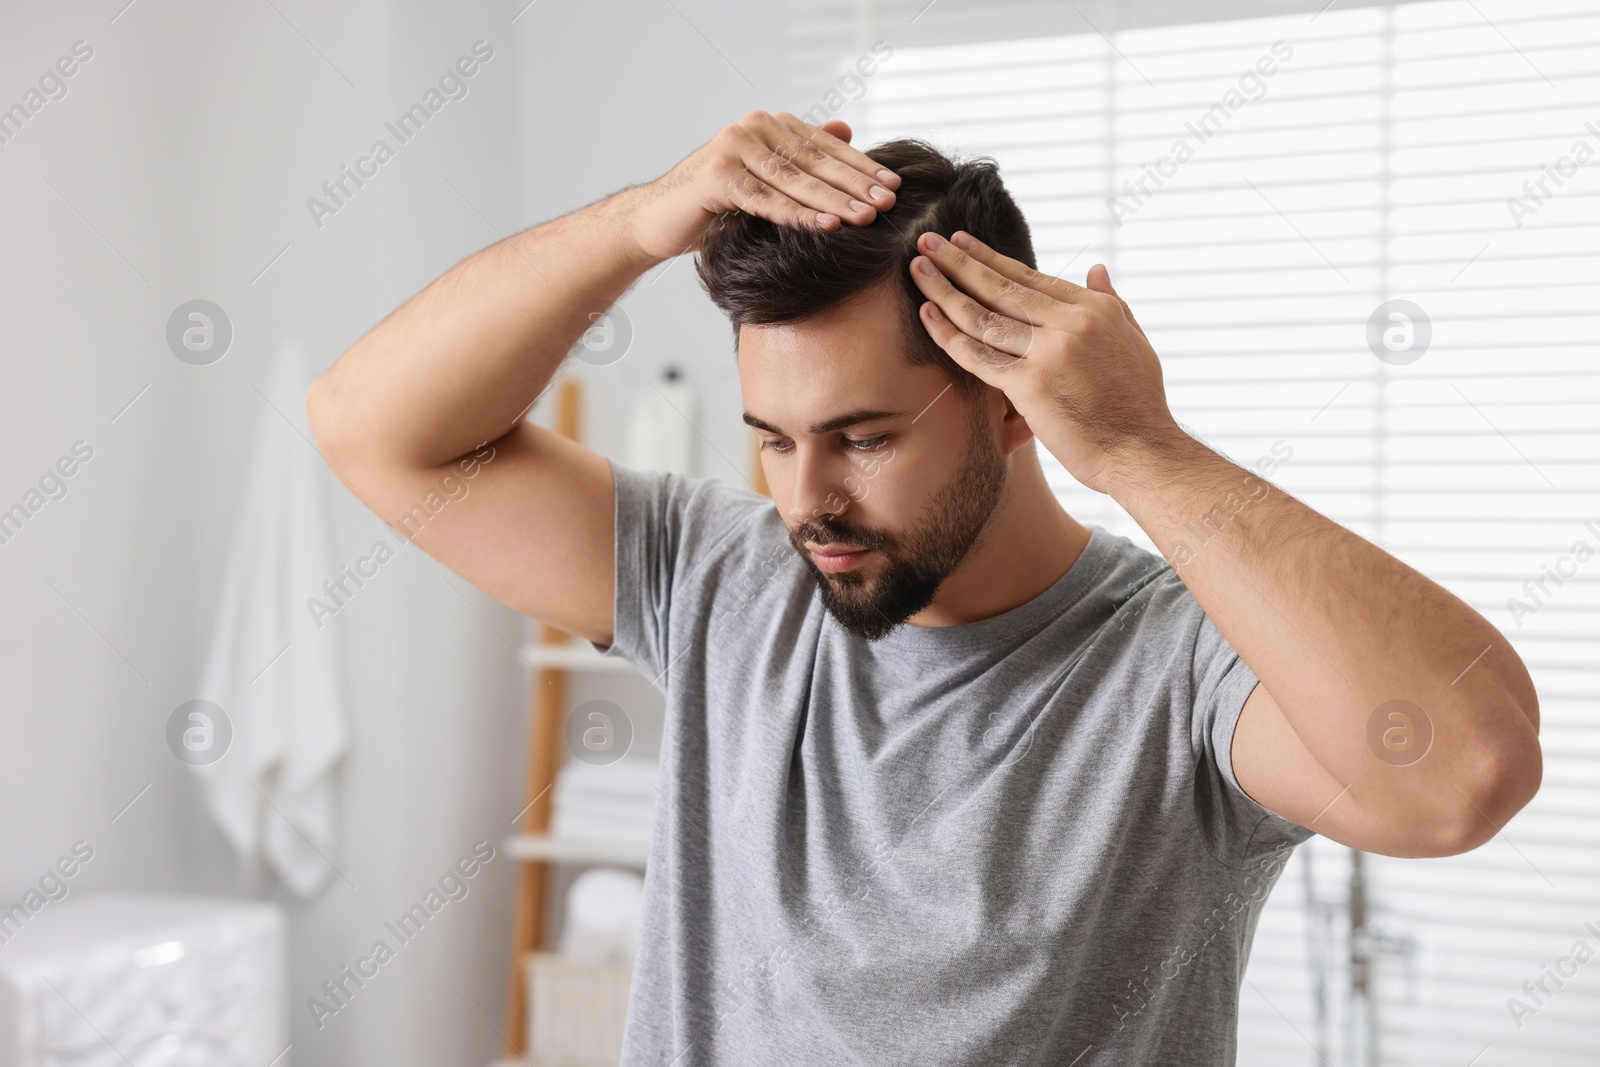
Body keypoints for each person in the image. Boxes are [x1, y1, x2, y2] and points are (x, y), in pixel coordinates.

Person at [307, 110, 1542, 1065]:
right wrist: (644, 219)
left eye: (866, 436)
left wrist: (1139, 449)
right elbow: (375, 429)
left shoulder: (1177, 665)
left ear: (1010, 403)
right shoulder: (724, 578)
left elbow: (1458, 776)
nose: (807, 500)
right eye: (775, 438)